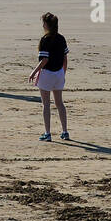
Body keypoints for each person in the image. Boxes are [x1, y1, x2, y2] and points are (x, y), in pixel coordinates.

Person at [30, 11, 69, 141]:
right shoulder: (61, 38)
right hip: (58, 74)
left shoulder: (45, 40)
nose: (43, 26)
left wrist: (33, 72)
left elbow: (44, 60)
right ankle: (65, 131)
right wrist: (63, 73)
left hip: (47, 74)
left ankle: (48, 133)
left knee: (46, 104)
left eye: (44, 23)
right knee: (60, 104)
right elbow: (65, 58)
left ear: (47, 25)